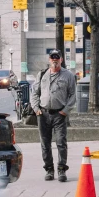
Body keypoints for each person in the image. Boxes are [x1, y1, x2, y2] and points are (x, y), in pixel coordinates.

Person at [30, 50, 77, 182]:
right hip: (43, 114)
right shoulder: (42, 74)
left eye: (57, 57)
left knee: (61, 143)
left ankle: (62, 169)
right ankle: (49, 169)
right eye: (52, 58)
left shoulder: (68, 75)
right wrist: (36, 109)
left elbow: (73, 95)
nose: (54, 60)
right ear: (49, 59)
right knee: (45, 144)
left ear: (61, 59)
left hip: (59, 114)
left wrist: (65, 110)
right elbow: (34, 92)